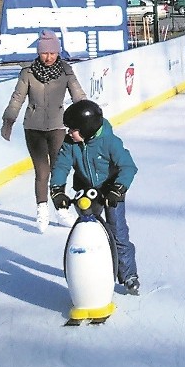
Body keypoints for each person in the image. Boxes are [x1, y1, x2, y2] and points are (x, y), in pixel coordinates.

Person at [49, 99, 140, 296]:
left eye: (73, 129)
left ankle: (128, 275)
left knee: (118, 230)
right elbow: (61, 166)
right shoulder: (70, 143)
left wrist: (118, 188)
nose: (69, 133)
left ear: (86, 129)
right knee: (87, 230)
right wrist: (57, 189)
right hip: (86, 190)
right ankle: (91, 270)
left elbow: (128, 167)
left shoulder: (109, 141)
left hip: (112, 189)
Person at [1, 29, 86, 233]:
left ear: (58, 52)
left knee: (58, 169)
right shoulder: (28, 72)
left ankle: (61, 208)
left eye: (53, 53)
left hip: (57, 126)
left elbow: (78, 95)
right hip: (33, 128)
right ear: (39, 53)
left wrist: (87, 117)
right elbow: (17, 98)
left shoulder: (66, 70)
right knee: (42, 172)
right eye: (44, 53)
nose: (49, 57)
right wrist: (8, 120)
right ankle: (42, 209)